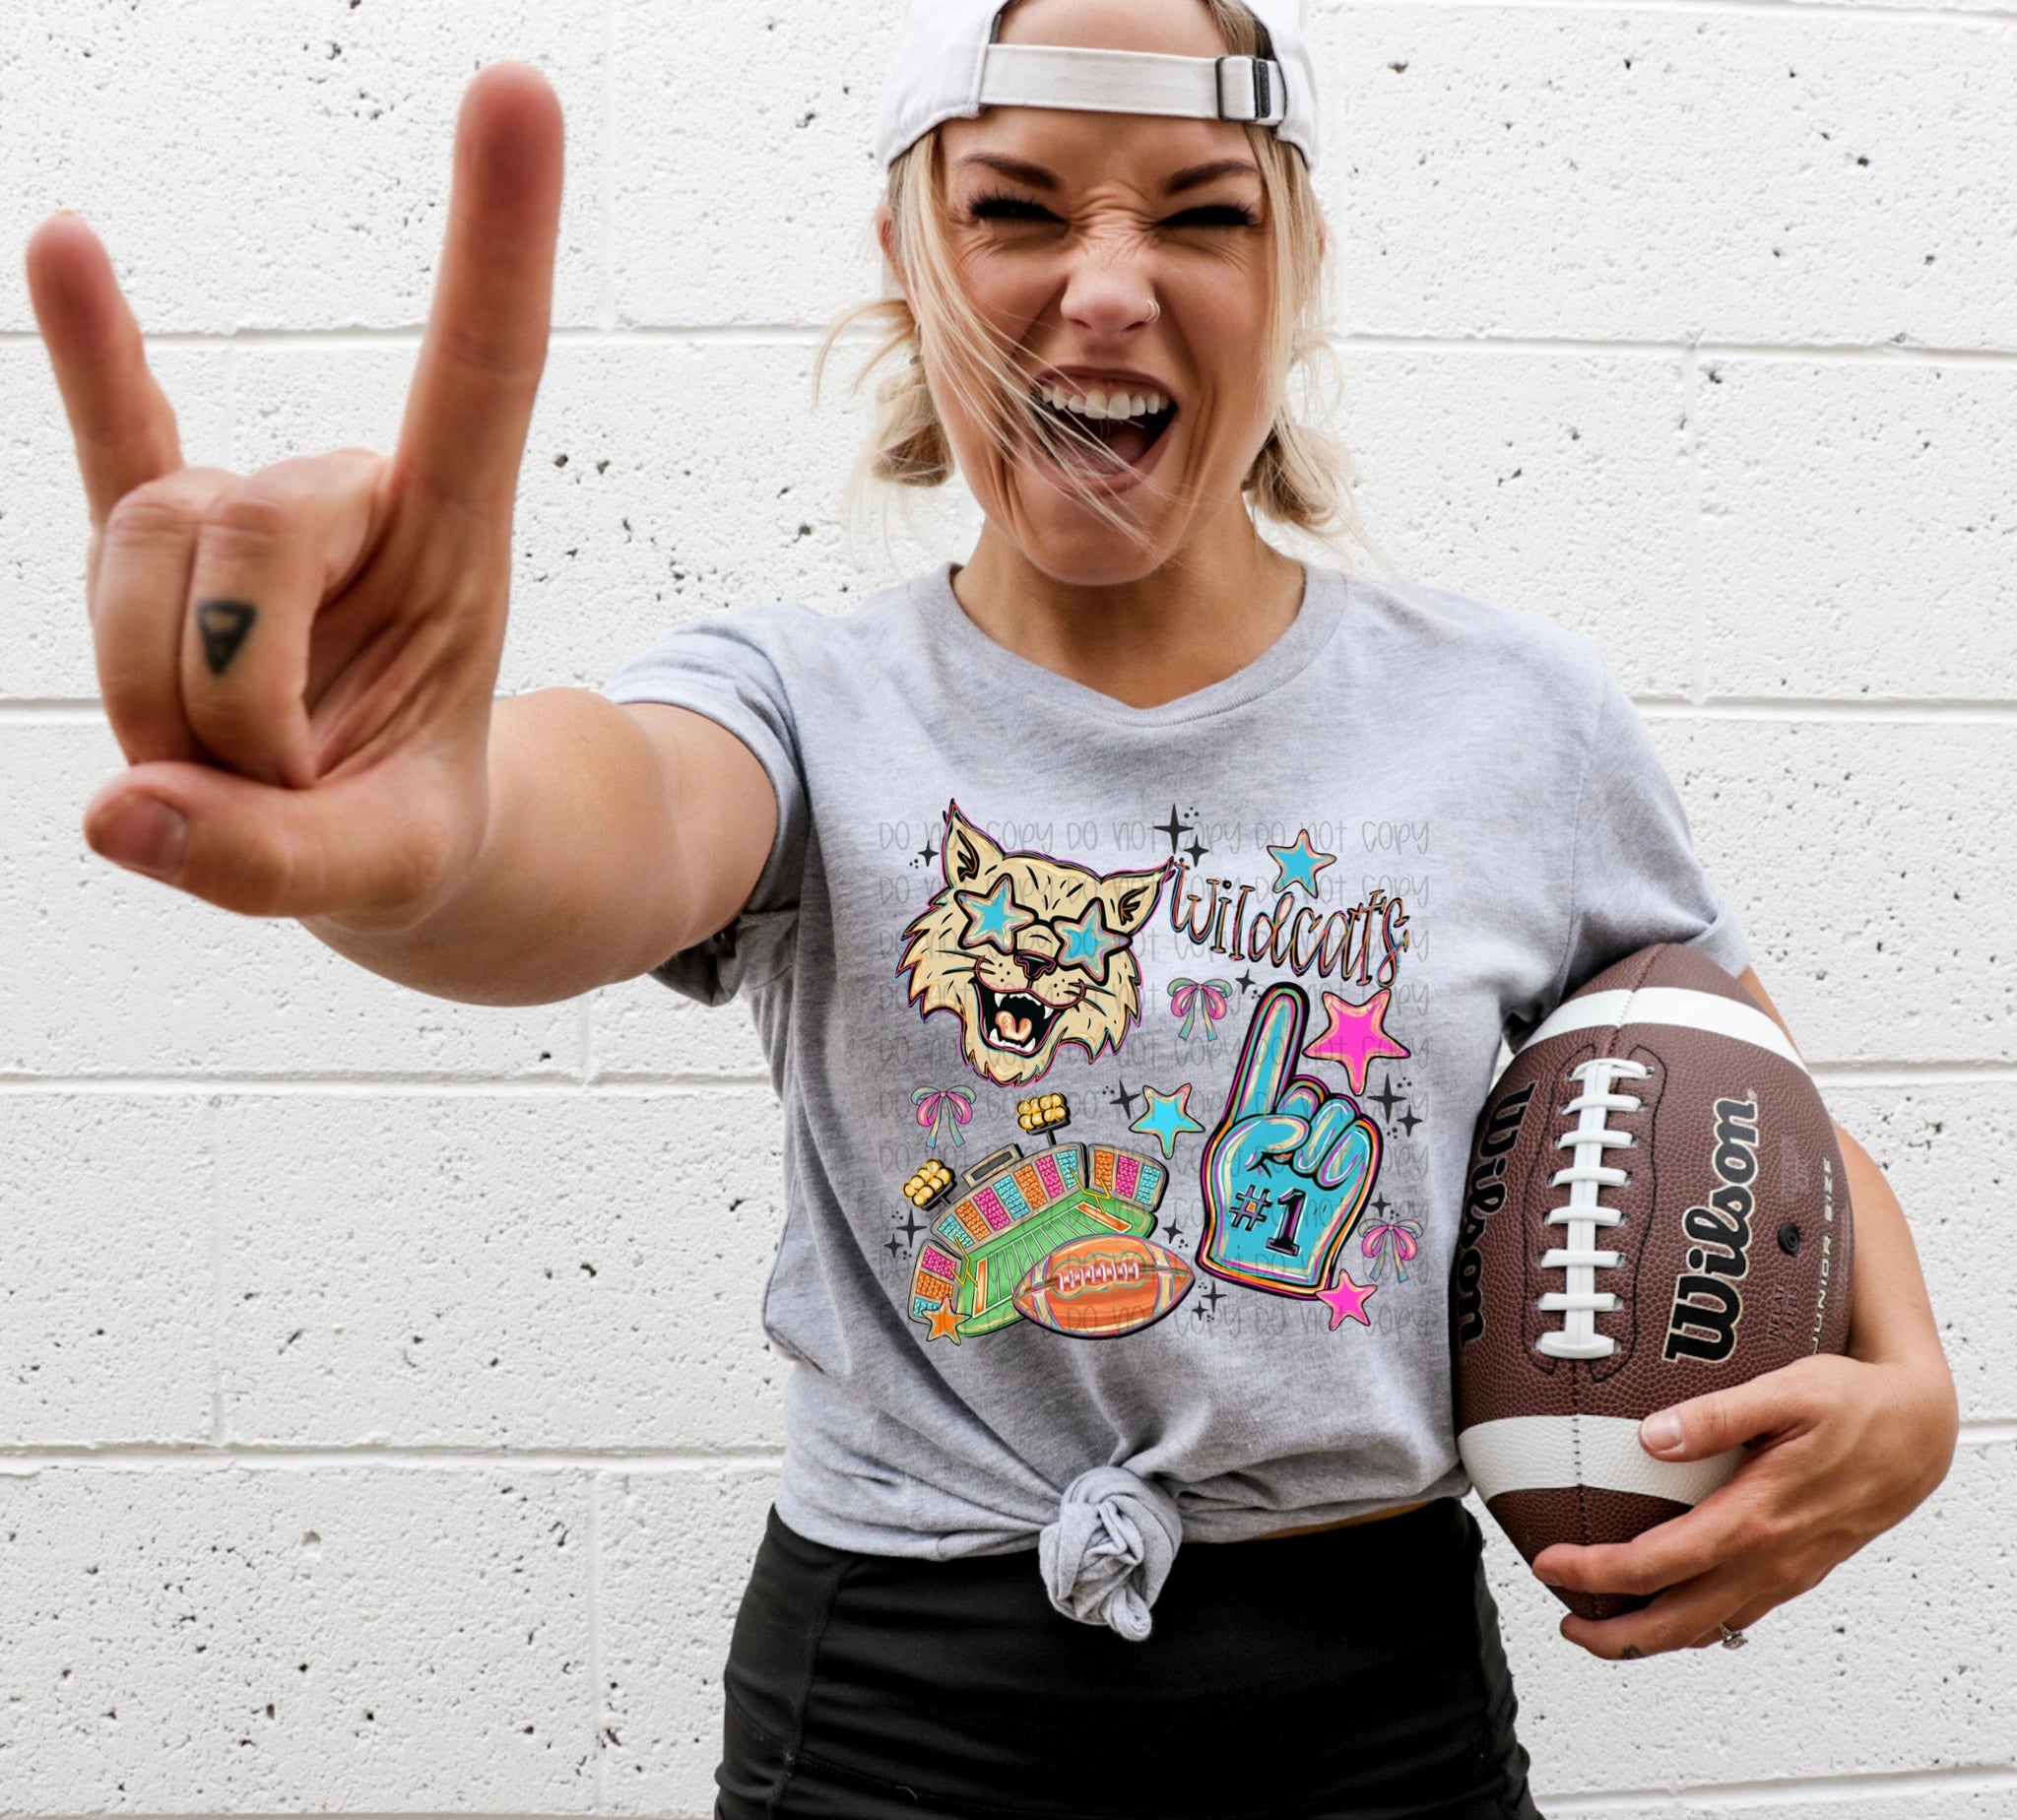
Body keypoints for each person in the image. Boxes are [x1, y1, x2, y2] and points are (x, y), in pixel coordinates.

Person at [25, 0, 1959, 1814]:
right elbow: (585, 833)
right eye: (1016, 208)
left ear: (1292, 268)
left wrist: (1918, 1388)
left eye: (1199, 214)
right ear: (911, 262)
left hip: (1377, 1704)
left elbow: (1745, 1086)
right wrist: (432, 833)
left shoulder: (1514, 718)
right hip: (893, 1706)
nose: (1104, 285)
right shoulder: (800, 704)